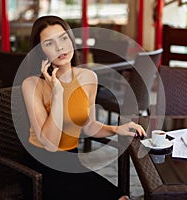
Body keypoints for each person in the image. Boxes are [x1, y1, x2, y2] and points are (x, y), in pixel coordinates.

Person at [21, 15, 146, 200]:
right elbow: (50, 144)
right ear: (41, 52)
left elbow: (88, 126)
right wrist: (57, 93)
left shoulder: (88, 78)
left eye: (63, 38)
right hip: (40, 170)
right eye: (49, 43)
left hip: (71, 162)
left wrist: (117, 129)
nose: (60, 47)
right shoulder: (31, 85)